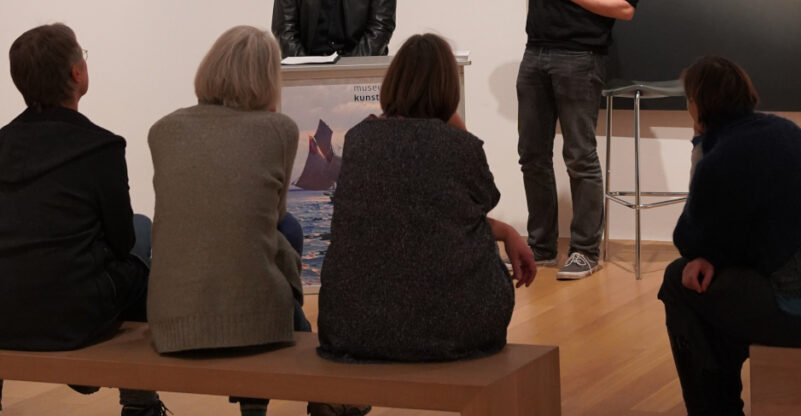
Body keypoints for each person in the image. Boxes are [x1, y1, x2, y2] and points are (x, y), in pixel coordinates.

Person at [146, 25, 365, 416]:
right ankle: (317, 386)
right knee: (289, 231)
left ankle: (305, 391)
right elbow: (274, 217)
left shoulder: (163, 129)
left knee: (280, 235)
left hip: (170, 321)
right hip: (255, 325)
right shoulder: (277, 130)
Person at [659, 55, 801, 416]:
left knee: (679, 282)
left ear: (697, 104)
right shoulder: (782, 129)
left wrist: (699, 149)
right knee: (716, 284)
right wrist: (710, 254)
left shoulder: (720, 157)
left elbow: (690, 238)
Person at [317, 33, 536, 363]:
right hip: (456, 329)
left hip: (353, 328)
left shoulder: (360, 140)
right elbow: (479, 203)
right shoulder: (460, 147)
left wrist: (506, 231)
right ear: (449, 89)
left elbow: (426, 213)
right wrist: (453, 122)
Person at [482, 0, 643, 280]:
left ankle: (586, 250)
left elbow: (625, 6)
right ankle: (542, 246)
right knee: (532, 155)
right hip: (535, 53)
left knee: (579, 156)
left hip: (581, 58)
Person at [0, 23, 165, 416]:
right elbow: (123, 241)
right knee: (141, 231)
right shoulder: (101, 147)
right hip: (72, 315)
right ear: (77, 73)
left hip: (3, 311)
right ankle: (140, 404)